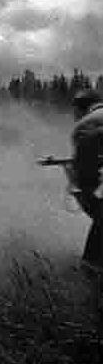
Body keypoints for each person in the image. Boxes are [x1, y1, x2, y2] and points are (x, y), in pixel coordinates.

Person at [66, 90, 103, 273]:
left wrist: (75, 184)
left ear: (80, 109)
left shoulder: (85, 126)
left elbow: (85, 176)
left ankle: (92, 270)